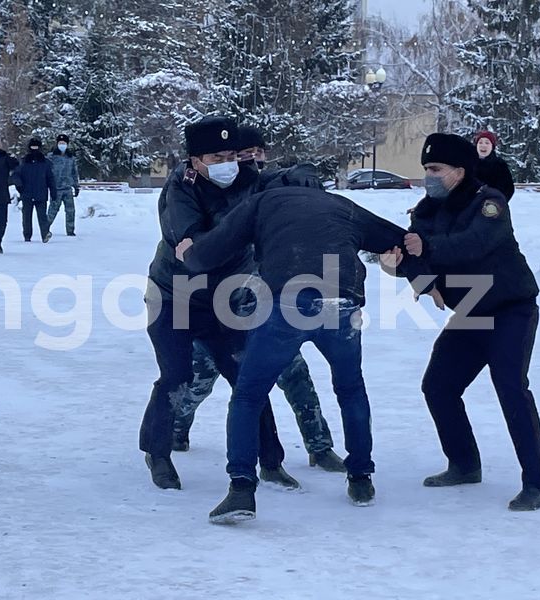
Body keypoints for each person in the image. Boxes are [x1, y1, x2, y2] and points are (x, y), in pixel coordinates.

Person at [175, 186, 436, 523]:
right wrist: (421, 263)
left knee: (249, 395)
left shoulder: (261, 201)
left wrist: (189, 253)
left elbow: (214, 249)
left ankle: (241, 489)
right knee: (350, 388)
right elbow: (401, 240)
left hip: (288, 301)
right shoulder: (341, 205)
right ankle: (360, 478)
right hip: (343, 301)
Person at [173, 125, 347, 473]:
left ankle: (319, 446)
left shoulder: (264, 183)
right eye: (240, 154)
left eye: (255, 152)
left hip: (261, 296)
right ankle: (176, 427)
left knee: (295, 372)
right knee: (200, 378)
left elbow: (286, 183)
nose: (247, 160)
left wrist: (304, 174)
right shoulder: (201, 190)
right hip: (216, 300)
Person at [141, 116, 298, 491]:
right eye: (216, 156)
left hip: (225, 298)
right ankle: (157, 453)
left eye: (232, 154)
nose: (228, 163)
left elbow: (280, 183)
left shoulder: (248, 178)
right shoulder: (179, 190)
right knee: (177, 374)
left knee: (249, 376)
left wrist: (302, 179)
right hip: (173, 296)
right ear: (194, 160)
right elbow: (194, 247)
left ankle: (270, 460)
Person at [405, 132, 540, 511]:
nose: (429, 176)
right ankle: (464, 464)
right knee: (438, 385)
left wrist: (429, 249)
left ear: (459, 170)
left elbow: (474, 244)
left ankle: (539, 483)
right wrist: (422, 279)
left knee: (510, 386)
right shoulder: (426, 210)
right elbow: (411, 255)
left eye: (436, 168)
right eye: (425, 169)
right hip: (471, 311)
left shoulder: (489, 202)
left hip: (510, 308)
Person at [13, 138, 55, 243]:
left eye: (37, 147)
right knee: (26, 217)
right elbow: (16, 175)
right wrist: (19, 186)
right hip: (26, 193)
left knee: (42, 216)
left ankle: (45, 234)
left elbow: (50, 178)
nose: (34, 149)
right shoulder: (23, 162)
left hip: (41, 193)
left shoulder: (46, 163)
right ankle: (27, 236)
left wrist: (53, 192)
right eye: (33, 147)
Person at [46, 133, 80, 236]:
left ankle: (70, 230)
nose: (62, 145)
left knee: (70, 211)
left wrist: (76, 185)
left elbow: (74, 172)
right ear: (57, 144)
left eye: (64, 143)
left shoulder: (71, 158)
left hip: (67, 188)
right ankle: (45, 228)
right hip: (56, 188)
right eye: (60, 143)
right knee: (53, 210)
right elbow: (46, 172)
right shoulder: (51, 157)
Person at [473, 131, 514, 201]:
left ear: (492, 146)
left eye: (487, 143)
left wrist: (496, 203)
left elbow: (508, 189)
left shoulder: (500, 165)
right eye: (480, 142)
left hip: (491, 208)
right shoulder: (467, 163)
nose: (483, 145)